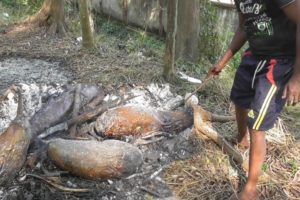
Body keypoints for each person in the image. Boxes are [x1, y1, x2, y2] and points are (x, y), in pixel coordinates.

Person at [208, 0, 300, 199]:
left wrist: (297, 77)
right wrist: (222, 62)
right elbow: (244, 27)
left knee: (257, 122)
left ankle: (251, 186)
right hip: (255, 55)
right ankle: (242, 140)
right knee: (239, 99)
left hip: (280, 61)